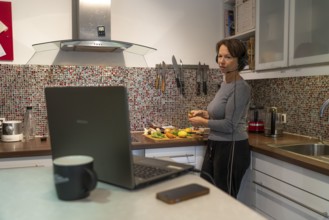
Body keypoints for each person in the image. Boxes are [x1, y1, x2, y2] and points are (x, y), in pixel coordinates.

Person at [188, 38, 251, 198]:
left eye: (228, 57)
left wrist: (203, 123)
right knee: (207, 193)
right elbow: (221, 113)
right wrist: (205, 113)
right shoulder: (225, 84)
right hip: (215, 145)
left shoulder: (240, 88)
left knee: (224, 199)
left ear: (240, 61)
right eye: (220, 56)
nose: (221, 61)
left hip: (231, 149)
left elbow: (229, 125)